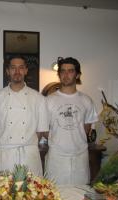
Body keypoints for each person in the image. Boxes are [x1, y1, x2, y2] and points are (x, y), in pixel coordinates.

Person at [0, 55, 48, 176]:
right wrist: (6, 144)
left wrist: (27, 143)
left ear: (26, 70)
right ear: (7, 71)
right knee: (2, 193)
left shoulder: (38, 98)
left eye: (21, 68)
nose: (17, 71)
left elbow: (41, 130)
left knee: (33, 193)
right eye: (13, 68)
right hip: (5, 156)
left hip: (29, 157)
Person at [45, 57, 98, 185]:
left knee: (80, 195)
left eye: (70, 71)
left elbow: (87, 127)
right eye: (62, 71)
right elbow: (45, 129)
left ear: (77, 74)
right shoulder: (48, 101)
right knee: (55, 197)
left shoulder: (86, 101)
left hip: (80, 157)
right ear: (59, 74)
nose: (66, 74)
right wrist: (58, 141)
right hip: (56, 158)